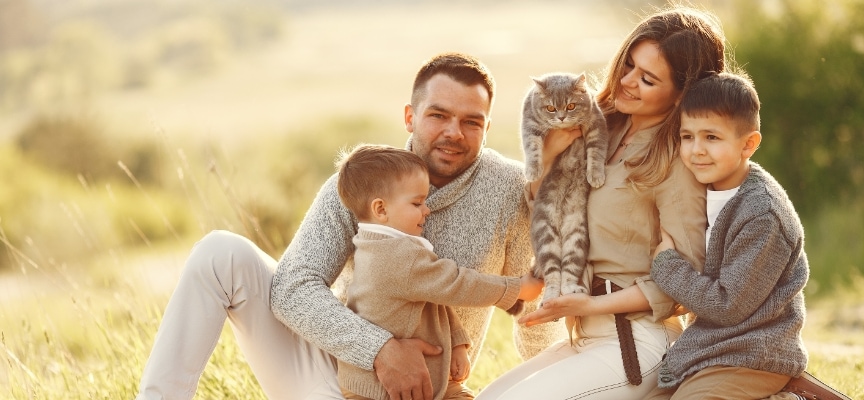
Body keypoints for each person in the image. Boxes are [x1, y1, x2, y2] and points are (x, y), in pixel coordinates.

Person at [136, 53, 564, 400]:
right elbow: (292, 286)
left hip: (427, 390)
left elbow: (533, 308)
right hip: (331, 373)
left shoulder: (512, 190)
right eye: (438, 115)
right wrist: (378, 350)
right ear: (410, 117)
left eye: (471, 121)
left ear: (487, 129)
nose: (454, 132)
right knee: (220, 253)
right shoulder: (364, 181)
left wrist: (547, 383)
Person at [477, 6, 725, 399]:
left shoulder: (677, 161)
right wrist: (550, 152)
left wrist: (587, 306)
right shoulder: (601, 126)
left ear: (682, 94)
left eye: (647, 79)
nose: (627, 81)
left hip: (635, 342)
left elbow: (686, 284)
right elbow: (548, 207)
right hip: (583, 337)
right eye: (628, 65)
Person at [640, 72, 809, 399]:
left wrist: (668, 266)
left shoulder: (762, 214)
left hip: (755, 354)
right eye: (687, 137)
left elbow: (727, 305)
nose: (696, 150)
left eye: (712, 138)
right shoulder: (698, 191)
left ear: (749, 144)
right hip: (708, 351)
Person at [333, 144, 543, 400]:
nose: (427, 209)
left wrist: (457, 342)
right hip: (381, 390)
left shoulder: (382, 245)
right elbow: (455, 284)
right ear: (381, 209)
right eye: (417, 203)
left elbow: (434, 299)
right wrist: (517, 288)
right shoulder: (396, 256)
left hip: (420, 379)